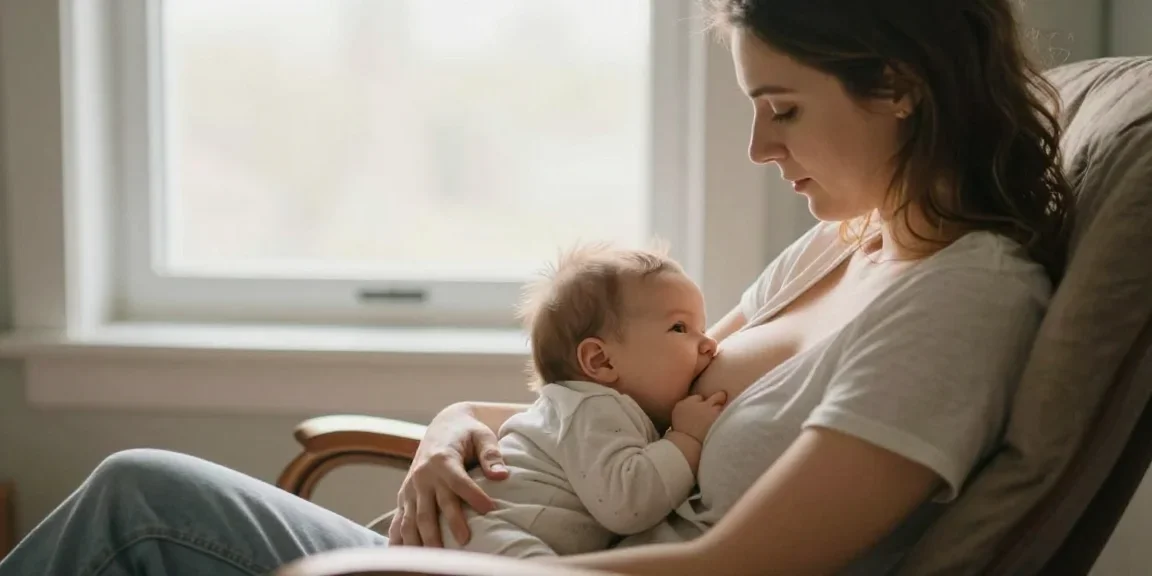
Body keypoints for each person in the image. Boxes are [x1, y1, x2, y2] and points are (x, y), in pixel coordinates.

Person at [0, 0, 1071, 574]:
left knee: (142, 510)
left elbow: (737, 569)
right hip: (528, 551)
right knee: (140, 490)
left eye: (783, 108)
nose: (758, 148)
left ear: (898, 86)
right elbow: (625, 399)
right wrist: (452, 426)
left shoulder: (961, 303)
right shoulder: (841, 247)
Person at [427, 244, 724, 557]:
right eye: (680, 327)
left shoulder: (580, 412)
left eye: (703, 328)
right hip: (479, 527)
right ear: (600, 361)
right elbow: (626, 505)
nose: (710, 343)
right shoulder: (594, 408)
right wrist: (686, 439)